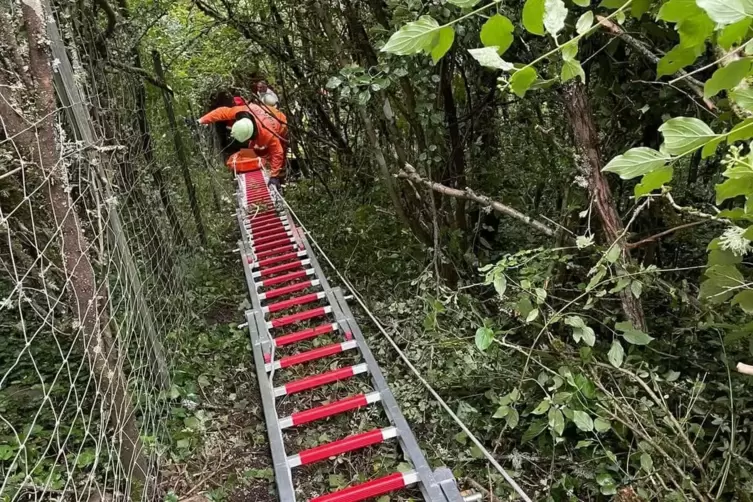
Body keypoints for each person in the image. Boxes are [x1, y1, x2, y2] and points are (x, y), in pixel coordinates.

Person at [198, 103, 285, 189]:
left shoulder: (267, 134)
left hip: (281, 123)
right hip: (266, 115)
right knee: (253, 152)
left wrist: (274, 175)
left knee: (273, 155)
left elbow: (278, 152)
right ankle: (254, 166)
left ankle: (280, 179)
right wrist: (201, 121)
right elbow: (222, 112)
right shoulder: (242, 111)